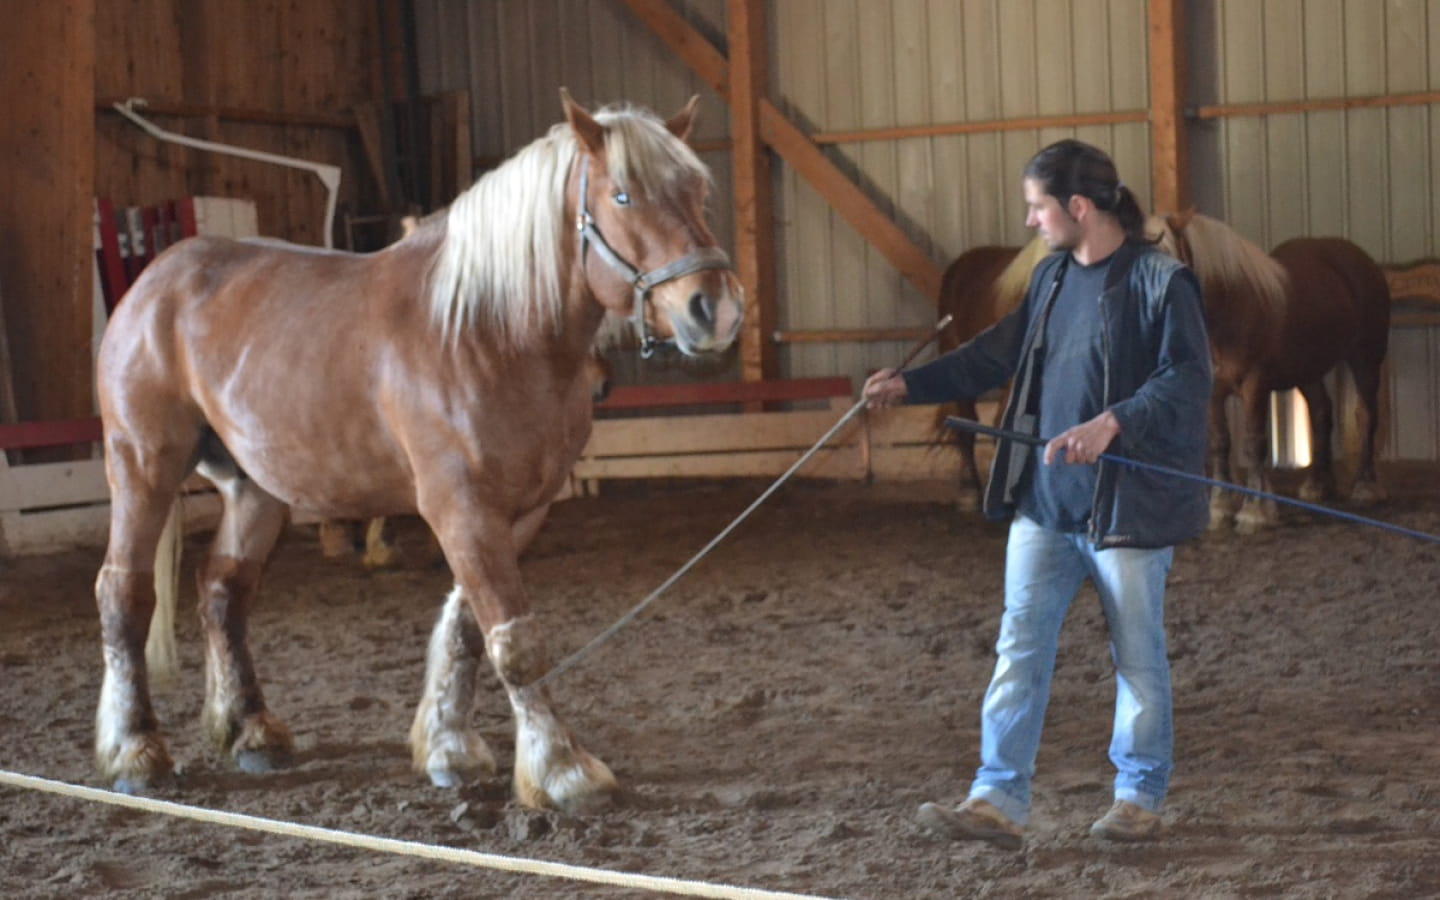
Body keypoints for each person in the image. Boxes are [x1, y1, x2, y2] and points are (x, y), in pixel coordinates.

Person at [864, 139, 1212, 849]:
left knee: (1137, 656)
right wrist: (911, 384)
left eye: (1037, 207)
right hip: (1045, 507)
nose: (1030, 221)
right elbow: (995, 353)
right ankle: (996, 798)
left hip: (1127, 511)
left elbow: (1187, 378)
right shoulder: (1052, 280)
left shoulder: (1162, 282)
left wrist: (1114, 421)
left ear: (1078, 208)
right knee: (1018, 649)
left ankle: (1138, 798)